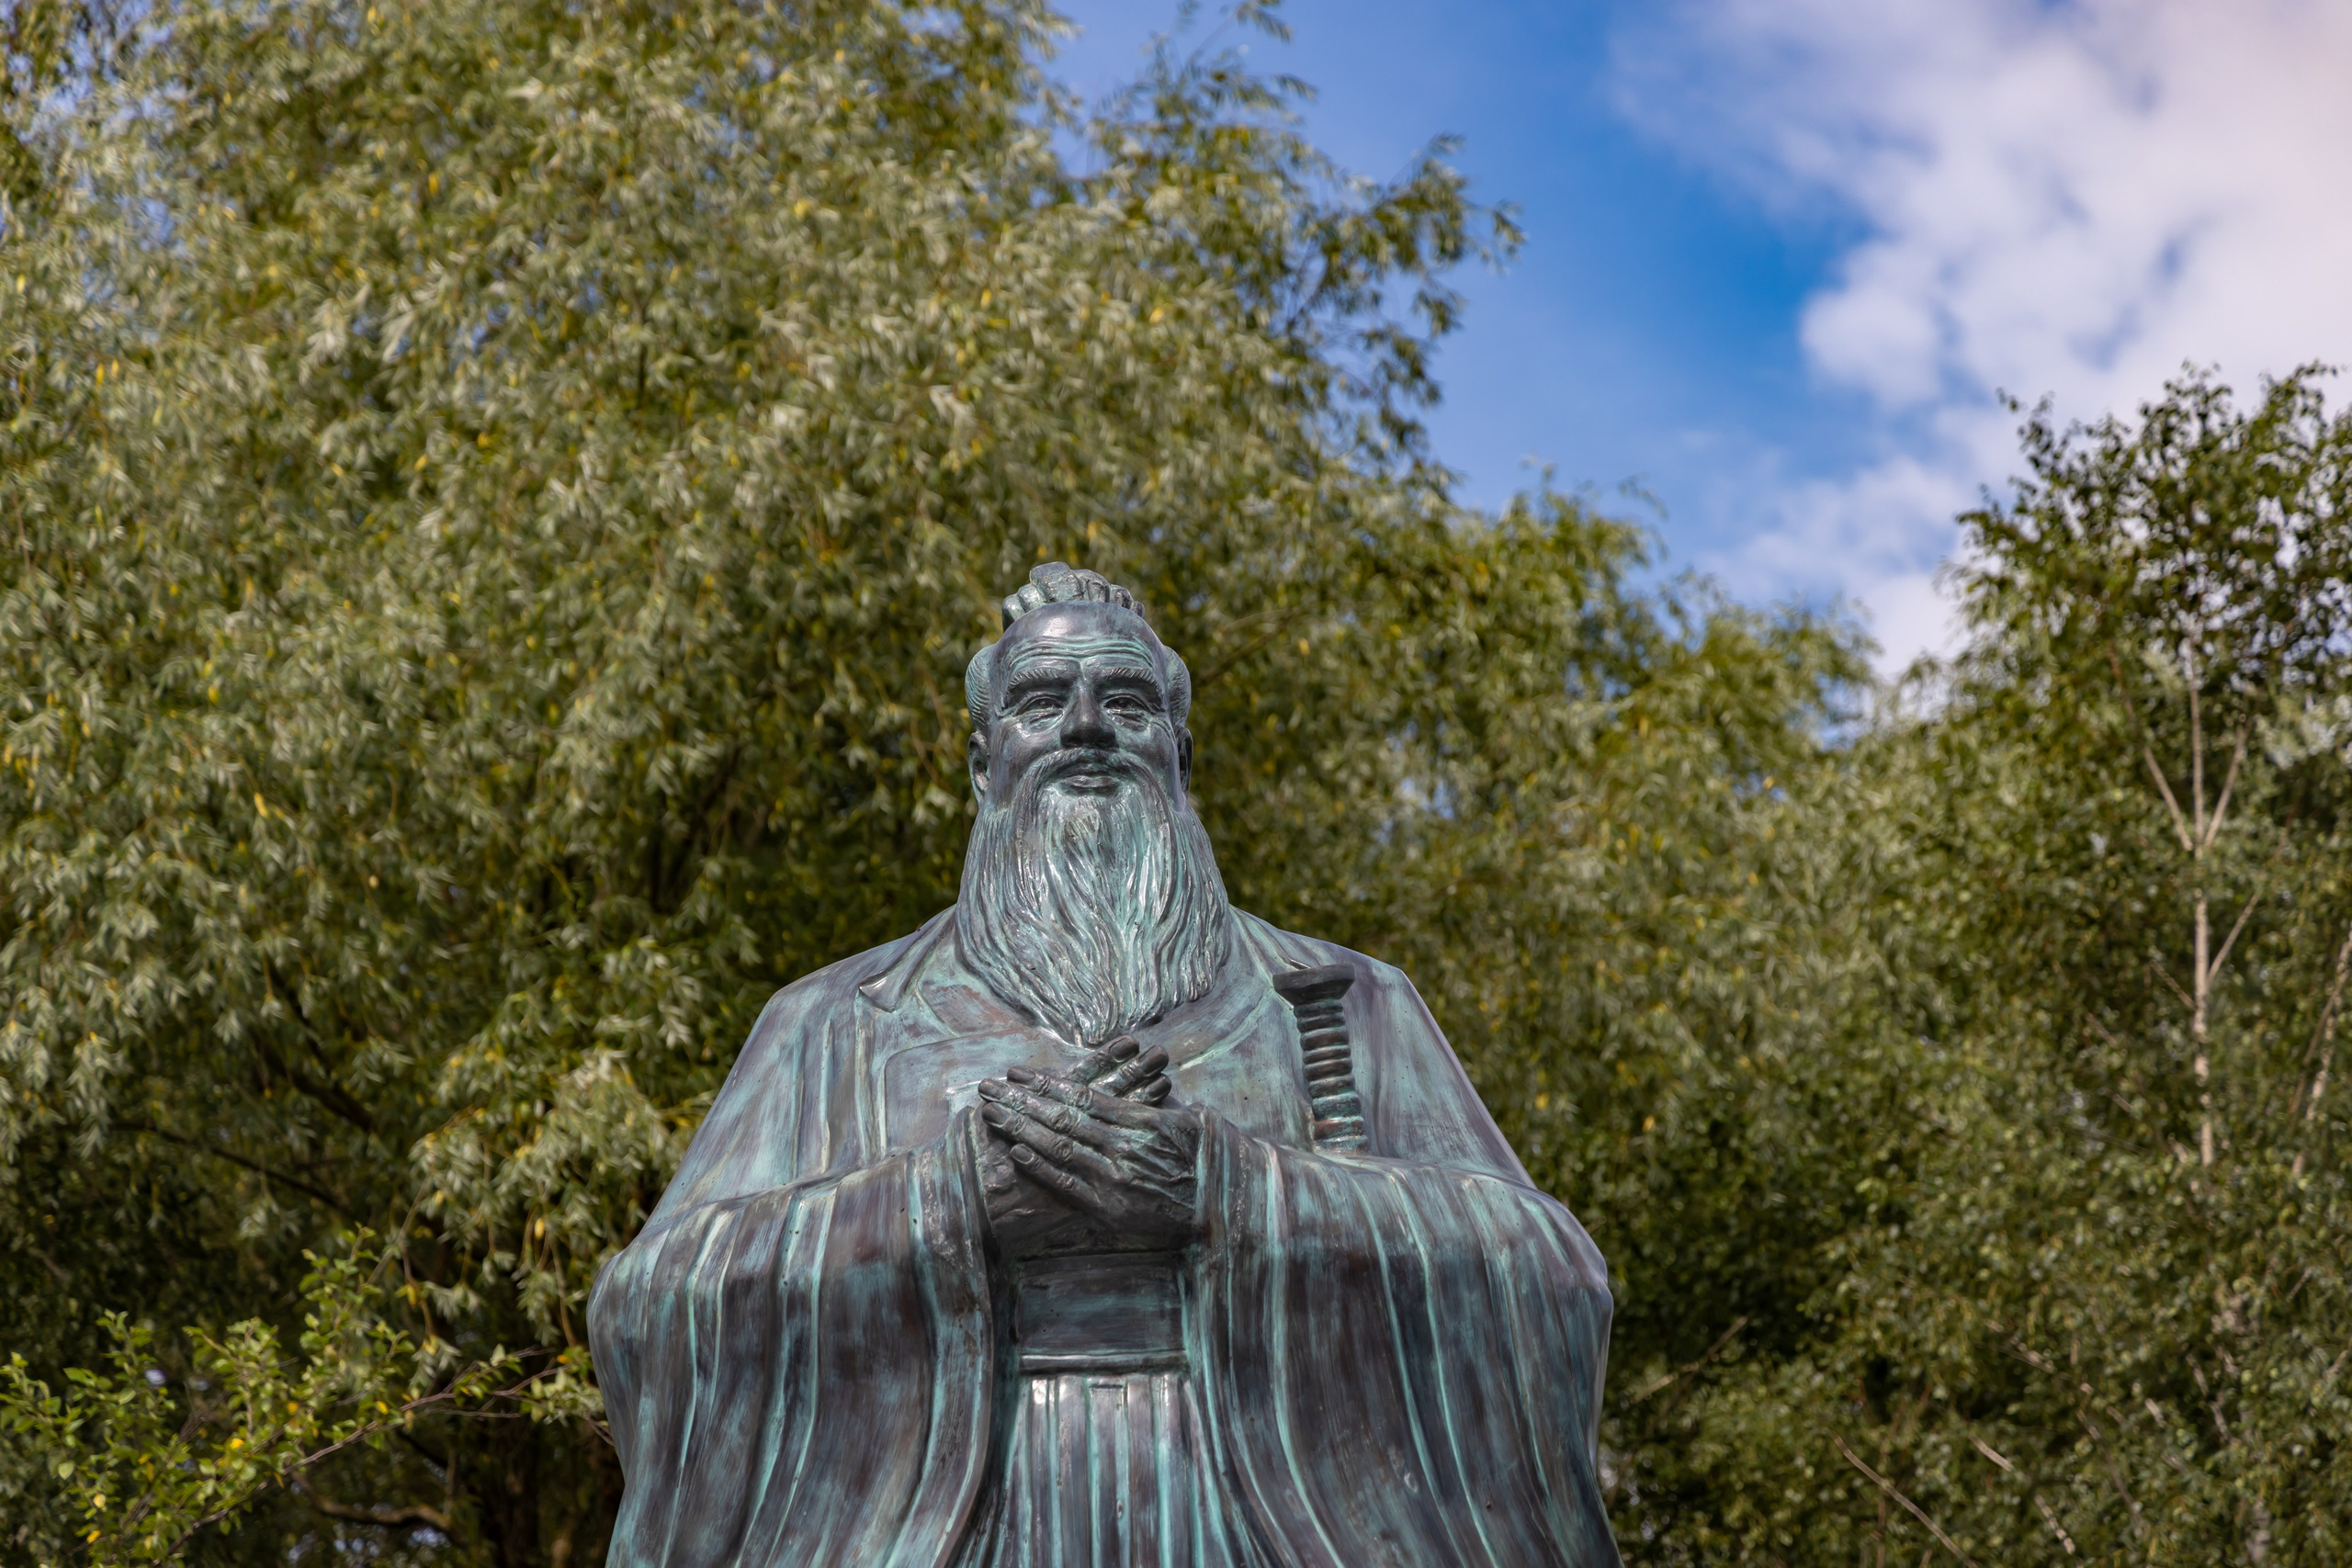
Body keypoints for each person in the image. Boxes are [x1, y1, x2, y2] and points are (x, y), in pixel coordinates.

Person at [589, 564, 1622, 1567]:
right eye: (1043, 701)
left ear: (1181, 753)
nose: (1085, 728)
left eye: (1124, 700)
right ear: (982, 760)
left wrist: (1234, 1189)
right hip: (946, 1515)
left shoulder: (1348, 1001)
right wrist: (947, 1205)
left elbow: (1549, 1275)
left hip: (1259, 1509)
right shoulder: (833, 1023)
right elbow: (654, 1306)